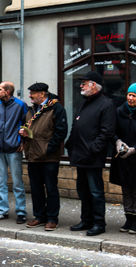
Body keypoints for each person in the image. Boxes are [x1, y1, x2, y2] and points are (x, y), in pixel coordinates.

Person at [66, 71, 116, 236]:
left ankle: (98, 223)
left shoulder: (106, 104)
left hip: (93, 158)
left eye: (84, 83)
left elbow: (106, 132)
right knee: (83, 191)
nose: (81, 85)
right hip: (80, 156)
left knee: (95, 192)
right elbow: (76, 125)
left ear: (93, 85)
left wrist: (93, 149)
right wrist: (70, 145)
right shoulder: (85, 102)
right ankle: (86, 220)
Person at [19, 82, 67, 231]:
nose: (30, 96)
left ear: (42, 94)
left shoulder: (56, 108)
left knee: (51, 188)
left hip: (49, 157)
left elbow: (61, 131)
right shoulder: (31, 109)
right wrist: (24, 133)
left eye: (33, 93)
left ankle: (52, 218)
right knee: (36, 188)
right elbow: (27, 125)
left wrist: (49, 149)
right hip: (33, 155)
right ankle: (39, 216)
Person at [0, 81, 28, 224]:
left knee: (17, 183)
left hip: (13, 149)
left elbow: (27, 123)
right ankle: (1, 211)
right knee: (0, 182)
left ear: (7, 91)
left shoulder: (20, 105)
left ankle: (21, 212)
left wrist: (21, 141)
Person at [110, 83, 136, 234]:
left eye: (134, 96)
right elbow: (112, 131)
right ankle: (129, 219)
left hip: (135, 158)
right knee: (126, 190)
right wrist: (117, 141)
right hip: (123, 159)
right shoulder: (120, 111)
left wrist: (134, 149)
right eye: (129, 95)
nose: (131, 98)